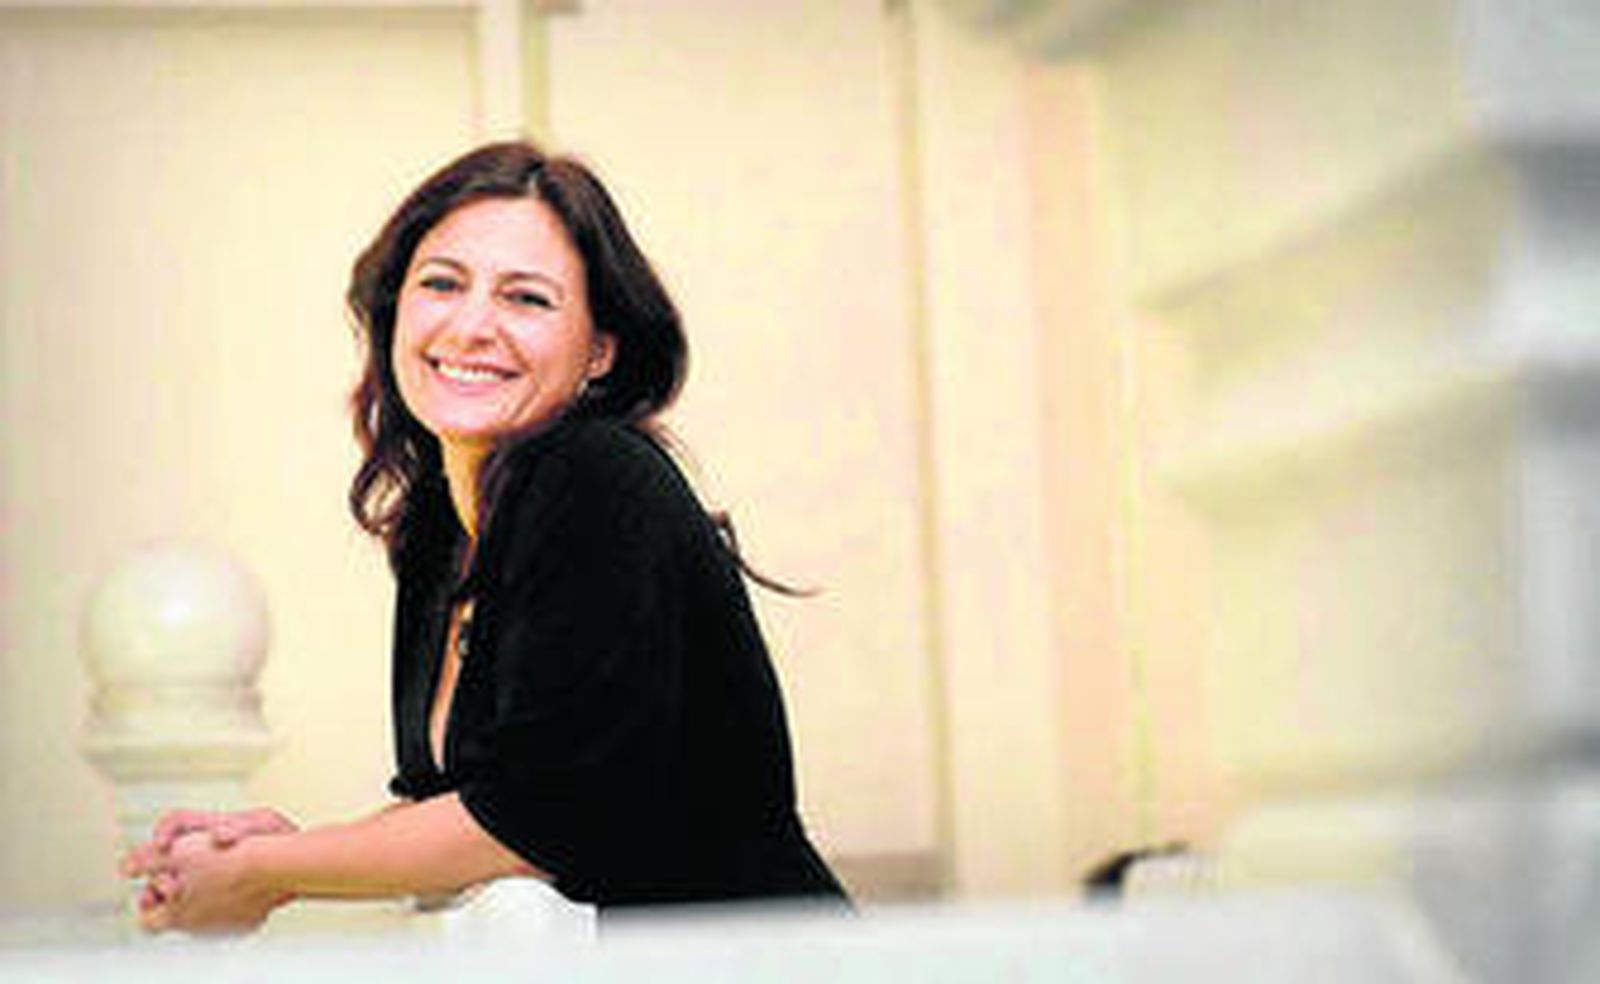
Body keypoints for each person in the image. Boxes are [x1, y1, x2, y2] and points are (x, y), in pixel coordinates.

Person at [119, 140, 848, 932]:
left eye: (526, 299)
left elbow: (537, 818)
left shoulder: (595, 475)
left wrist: (270, 873)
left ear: (599, 351)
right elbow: (471, 813)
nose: (471, 326)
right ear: (395, 313)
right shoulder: (442, 530)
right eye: (441, 284)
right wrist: (280, 852)